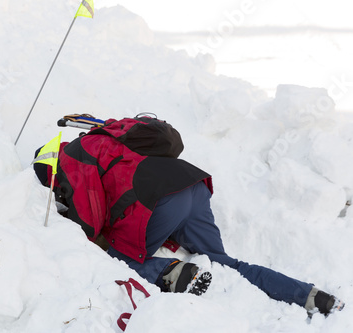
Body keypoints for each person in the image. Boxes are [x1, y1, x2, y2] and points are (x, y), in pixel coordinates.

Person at [34, 116, 345, 316]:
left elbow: (90, 225)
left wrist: (83, 228)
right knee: (227, 263)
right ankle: (312, 296)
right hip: (191, 184)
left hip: (157, 200)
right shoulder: (108, 135)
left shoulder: (74, 162)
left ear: (53, 171)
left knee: (117, 255)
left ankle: (171, 272)